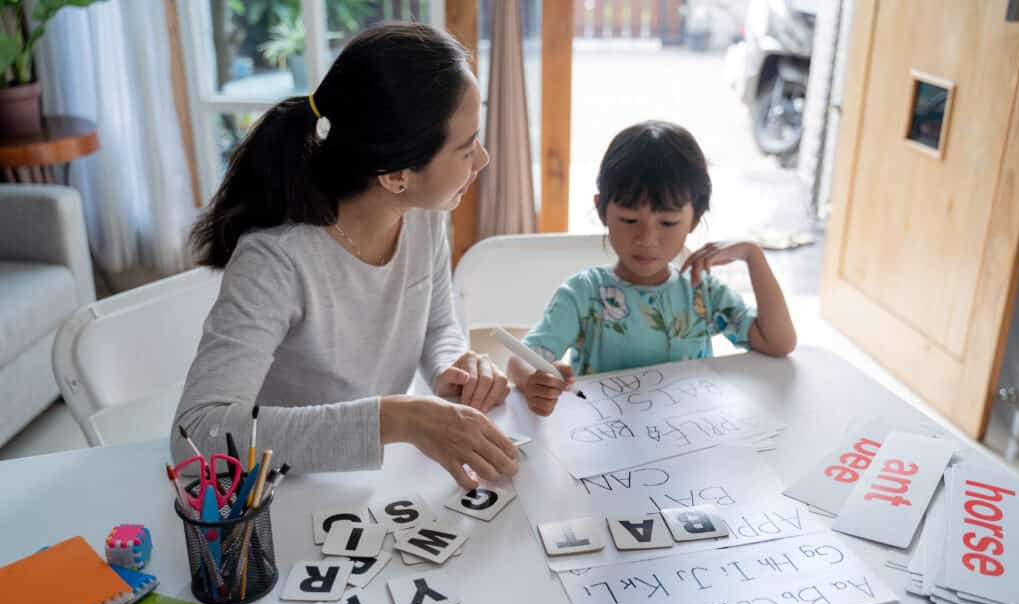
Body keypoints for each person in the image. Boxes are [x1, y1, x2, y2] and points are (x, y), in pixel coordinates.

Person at [170, 23, 518, 490]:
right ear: (395, 176)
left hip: (373, 486)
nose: (483, 158)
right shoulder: (275, 260)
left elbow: (436, 324)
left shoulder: (422, 212)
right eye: (465, 147)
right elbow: (195, 435)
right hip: (279, 494)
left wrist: (451, 366)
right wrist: (395, 420)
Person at [509, 120, 797, 416]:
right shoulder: (585, 294)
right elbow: (521, 358)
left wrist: (753, 255)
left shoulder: (701, 292)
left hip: (688, 441)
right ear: (601, 210)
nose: (646, 239)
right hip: (604, 445)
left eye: (668, 223)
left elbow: (779, 343)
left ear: (695, 220)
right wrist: (533, 379)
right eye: (630, 220)